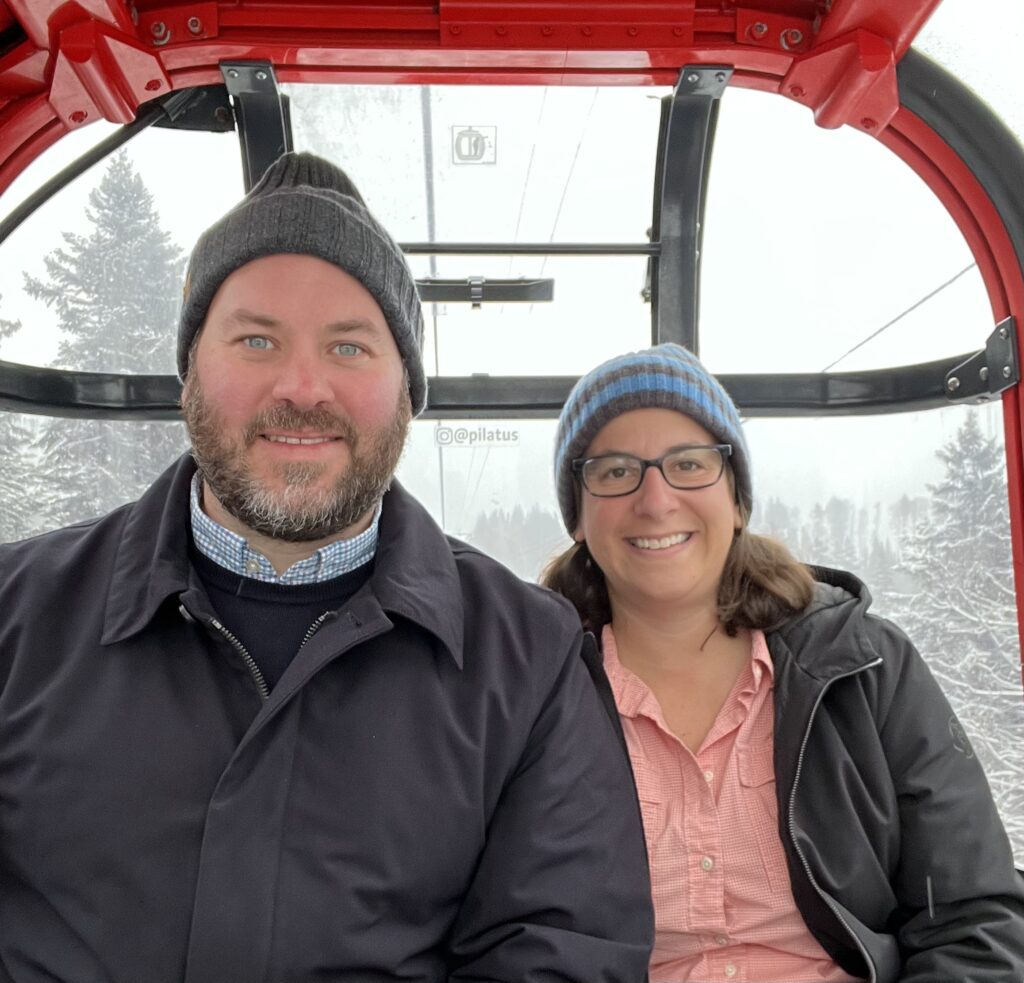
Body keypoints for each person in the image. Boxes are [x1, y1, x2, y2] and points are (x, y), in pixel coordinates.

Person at [0, 152, 654, 983]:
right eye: (256, 339)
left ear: (407, 390)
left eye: (348, 346)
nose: (302, 386)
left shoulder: (525, 658)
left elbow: (564, 950)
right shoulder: (18, 618)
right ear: (190, 372)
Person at [543, 342, 1024, 983]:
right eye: (613, 471)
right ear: (577, 514)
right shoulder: (533, 695)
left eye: (689, 465)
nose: (655, 501)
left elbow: (973, 918)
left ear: (738, 501)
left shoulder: (865, 670)